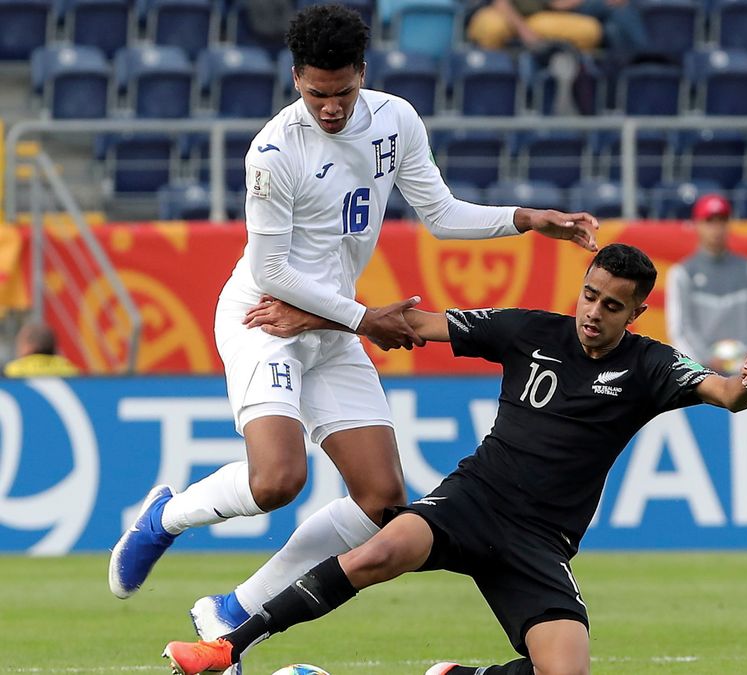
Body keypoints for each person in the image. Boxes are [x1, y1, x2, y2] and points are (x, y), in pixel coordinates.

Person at [107, 0, 601, 652]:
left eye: (342, 92)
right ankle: (163, 518)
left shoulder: (395, 119)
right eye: (317, 94)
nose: (331, 107)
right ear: (296, 79)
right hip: (266, 317)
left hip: (332, 320)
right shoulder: (273, 151)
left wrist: (528, 219)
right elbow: (271, 270)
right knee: (277, 480)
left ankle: (233, 611)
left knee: (381, 498)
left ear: (362, 72)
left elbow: (441, 213)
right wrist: (365, 318)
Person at [161, 243, 747, 675]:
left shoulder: (650, 364)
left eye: (612, 306)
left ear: (636, 313)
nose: (593, 312)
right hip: (473, 501)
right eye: (589, 295)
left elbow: (724, 393)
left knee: (565, 672)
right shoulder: (529, 331)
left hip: (541, 541)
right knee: (379, 551)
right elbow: (416, 325)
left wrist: (746, 384)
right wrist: (312, 316)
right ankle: (228, 647)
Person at [666, 194, 747, 374]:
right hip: (701, 376)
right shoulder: (682, 273)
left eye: (722, 221)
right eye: (709, 221)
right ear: (697, 225)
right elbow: (680, 328)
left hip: (744, 373)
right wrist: (704, 362)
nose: (716, 229)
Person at [466, 0, 604, 53]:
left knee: (590, 30)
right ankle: (491, 77)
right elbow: (501, 4)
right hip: (500, 13)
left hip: (536, 16)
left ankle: (577, 89)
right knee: (493, 29)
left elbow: (557, 4)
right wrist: (523, 30)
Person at [2, 319, 80, 377]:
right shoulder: (70, 370)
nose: (18, 348)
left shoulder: (12, 372)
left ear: (31, 346)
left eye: (20, 343)